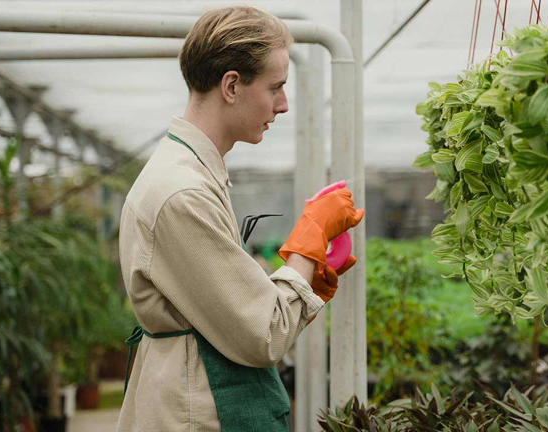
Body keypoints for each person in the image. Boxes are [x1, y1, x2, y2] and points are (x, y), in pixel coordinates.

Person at [117, 6, 364, 431]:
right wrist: (311, 237)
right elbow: (262, 333)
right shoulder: (183, 193)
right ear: (231, 85)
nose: (283, 105)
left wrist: (307, 275)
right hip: (197, 413)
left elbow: (228, 309)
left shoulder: (190, 173)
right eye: (276, 87)